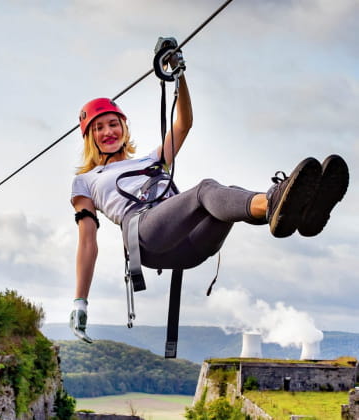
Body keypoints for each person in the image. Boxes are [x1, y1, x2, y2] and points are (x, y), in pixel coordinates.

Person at [69, 56, 349, 344]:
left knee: (229, 197)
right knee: (206, 189)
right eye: (98, 128)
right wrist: (80, 301)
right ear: (89, 137)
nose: (108, 132)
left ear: (123, 127)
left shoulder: (152, 159)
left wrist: (179, 75)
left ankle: (298, 211)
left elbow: (184, 124)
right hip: (145, 236)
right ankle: (275, 201)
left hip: (190, 246)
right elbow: (87, 242)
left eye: (113, 124)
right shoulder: (86, 180)